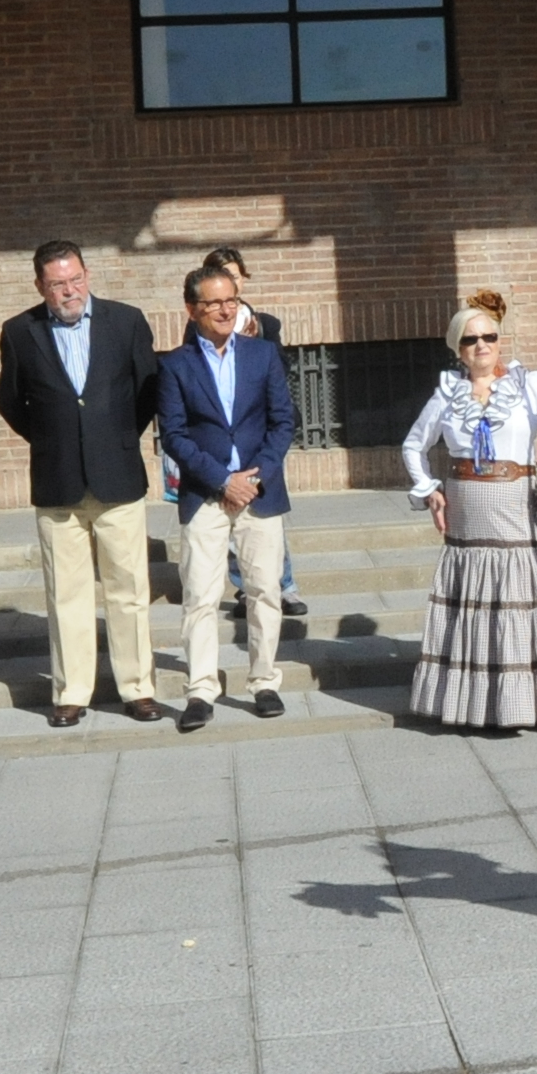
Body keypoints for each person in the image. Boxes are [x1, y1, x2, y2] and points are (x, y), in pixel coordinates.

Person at [399, 289, 537, 729]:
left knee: (516, 596)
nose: (482, 345)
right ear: (458, 349)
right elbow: (413, 445)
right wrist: (429, 489)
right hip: (467, 508)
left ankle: (526, 703)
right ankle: (474, 704)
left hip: (514, 503)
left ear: (500, 341)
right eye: (471, 340)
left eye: (489, 336)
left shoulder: (526, 383)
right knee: (474, 598)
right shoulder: (447, 394)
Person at [0, 239, 165, 729]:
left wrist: (113, 438)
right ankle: (71, 691)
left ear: (87, 275)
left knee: (128, 590)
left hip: (118, 477)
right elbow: (11, 401)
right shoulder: (19, 332)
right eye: (57, 284)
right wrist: (56, 440)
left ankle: (138, 688)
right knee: (66, 594)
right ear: (40, 286)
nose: (69, 291)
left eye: (75, 279)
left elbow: (147, 389)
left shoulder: (126, 321)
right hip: (58, 481)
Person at [159, 265, 297, 731]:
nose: (225, 310)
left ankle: (264, 682)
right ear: (192, 309)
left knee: (265, 591)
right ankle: (201, 690)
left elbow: (283, 422)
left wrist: (255, 477)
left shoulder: (262, 354)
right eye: (214, 302)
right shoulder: (175, 365)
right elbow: (174, 436)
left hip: (260, 491)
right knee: (200, 594)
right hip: (206, 494)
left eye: (231, 300)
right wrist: (223, 480)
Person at [182, 245, 308, 619]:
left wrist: (256, 341)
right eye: (224, 276)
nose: (231, 286)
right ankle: (242, 586)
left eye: (236, 277)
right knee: (228, 512)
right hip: (220, 444)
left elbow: (280, 370)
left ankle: (285, 585)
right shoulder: (197, 326)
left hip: (259, 438)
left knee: (265, 511)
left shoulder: (265, 323)